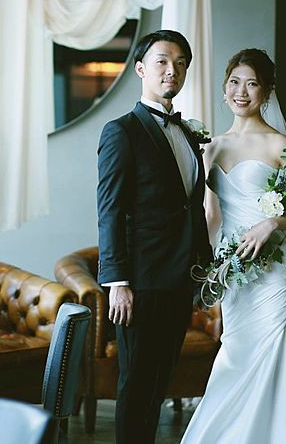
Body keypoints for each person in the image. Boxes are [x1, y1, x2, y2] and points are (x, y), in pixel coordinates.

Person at [181, 48, 286, 443]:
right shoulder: (211, 147)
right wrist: (208, 265)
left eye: (252, 84)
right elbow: (209, 214)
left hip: (272, 268)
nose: (241, 92)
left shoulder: (281, 145)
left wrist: (272, 223)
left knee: (272, 349)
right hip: (232, 267)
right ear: (224, 88)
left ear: (266, 92)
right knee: (236, 351)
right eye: (234, 82)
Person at [96, 29, 213, 444]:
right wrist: (118, 282)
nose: (171, 70)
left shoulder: (189, 134)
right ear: (141, 69)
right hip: (141, 282)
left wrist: (203, 269)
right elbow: (110, 210)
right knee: (137, 383)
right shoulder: (121, 131)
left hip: (181, 278)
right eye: (162, 61)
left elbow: (191, 207)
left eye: (180, 63)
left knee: (161, 380)